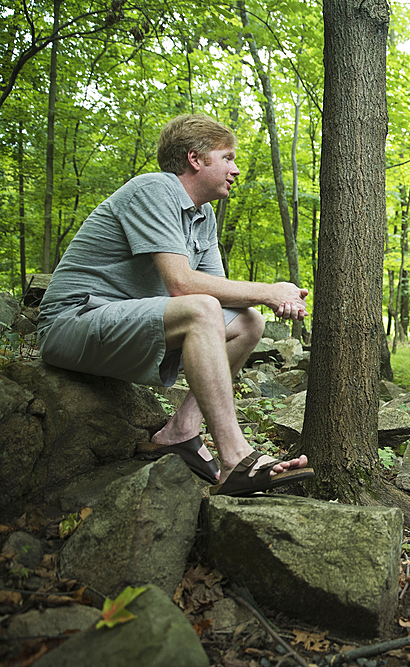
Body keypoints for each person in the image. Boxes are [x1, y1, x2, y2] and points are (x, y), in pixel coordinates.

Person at [37, 113, 314, 496]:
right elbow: (182, 285)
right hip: (72, 322)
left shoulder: (204, 218)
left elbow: (218, 289)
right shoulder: (154, 189)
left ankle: (181, 431)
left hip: (123, 327)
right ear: (195, 159)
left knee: (249, 323)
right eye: (228, 157)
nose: (236, 169)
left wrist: (270, 295)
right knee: (200, 308)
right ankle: (236, 458)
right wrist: (270, 291)